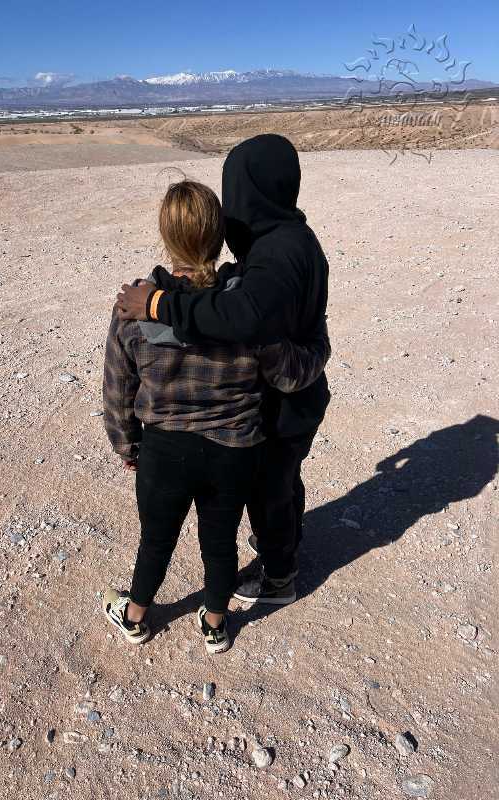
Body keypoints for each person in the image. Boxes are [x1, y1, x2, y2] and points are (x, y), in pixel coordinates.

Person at [102, 179, 329, 653]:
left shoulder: (134, 308)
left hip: (164, 450)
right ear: (220, 234)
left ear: (166, 235)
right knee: (220, 542)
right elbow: (287, 375)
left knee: (155, 540)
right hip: (234, 450)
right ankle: (215, 625)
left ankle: (136, 615)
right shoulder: (243, 308)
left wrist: (127, 445)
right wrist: (318, 343)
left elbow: (118, 388)